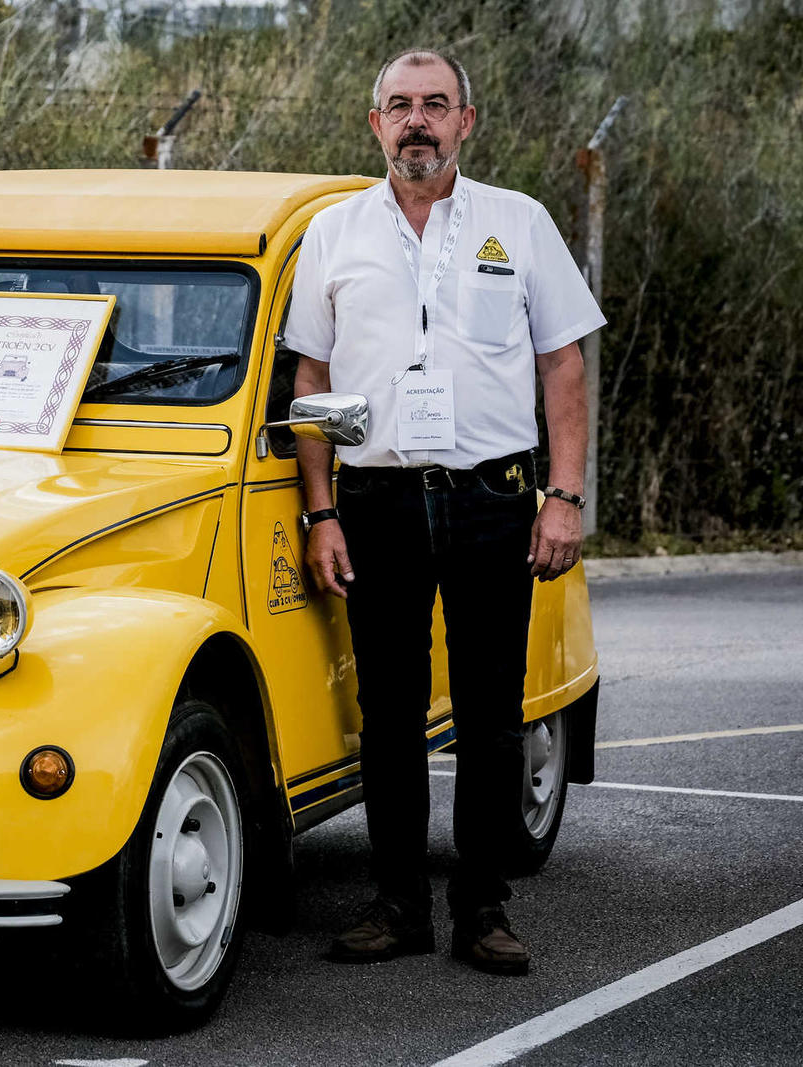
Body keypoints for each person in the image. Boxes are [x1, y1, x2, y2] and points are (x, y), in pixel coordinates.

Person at [282, 47, 604, 976]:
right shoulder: (336, 233)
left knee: (492, 717)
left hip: (494, 499)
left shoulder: (522, 222)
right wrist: (319, 512)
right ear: (373, 122)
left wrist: (565, 497)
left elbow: (563, 366)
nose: (416, 121)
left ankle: (484, 907)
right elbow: (313, 379)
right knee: (387, 715)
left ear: (468, 120)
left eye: (435, 104)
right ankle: (396, 905)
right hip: (376, 500)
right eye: (399, 106)